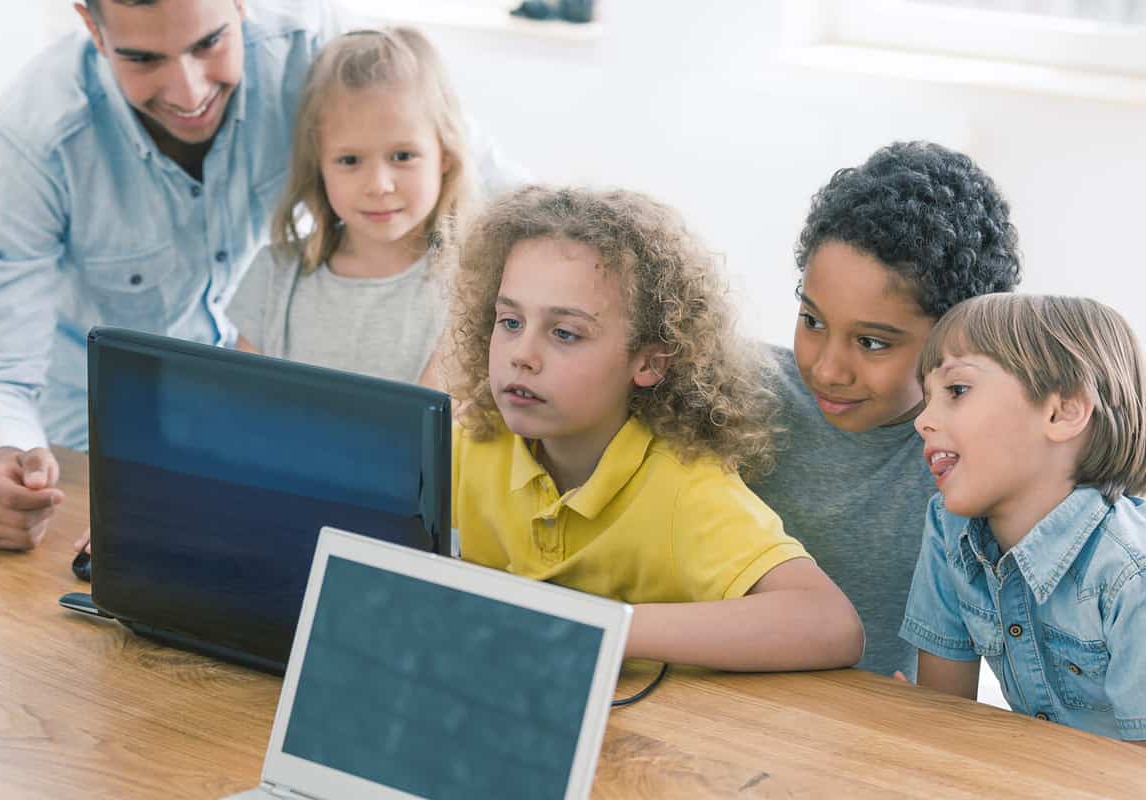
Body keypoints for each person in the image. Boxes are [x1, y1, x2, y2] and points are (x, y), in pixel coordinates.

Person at [0, 0, 520, 551]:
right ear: (93, 31)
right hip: (87, 442)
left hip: (236, 463)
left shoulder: (313, 46)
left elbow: (505, 201)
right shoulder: (28, 144)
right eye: (145, 59)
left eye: (209, 43)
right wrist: (4, 459)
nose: (189, 92)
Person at [447, 186, 864, 671]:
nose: (522, 354)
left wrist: (597, 626)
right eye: (510, 321)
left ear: (648, 361)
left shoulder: (682, 487)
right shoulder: (472, 444)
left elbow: (829, 623)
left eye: (565, 333)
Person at [748, 141, 1022, 678]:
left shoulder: (973, 465)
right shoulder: (734, 398)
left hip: (864, 735)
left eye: (872, 343)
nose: (828, 369)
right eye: (812, 320)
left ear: (958, 342)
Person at [902, 294, 1146, 744]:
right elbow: (942, 716)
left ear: (1064, 410)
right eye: (926, 397)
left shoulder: (1131, 574)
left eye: (956, 390)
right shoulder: (948, 528)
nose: (923, 420)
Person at [228, 28, 474, 387]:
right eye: (349, 160)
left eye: (402, 156)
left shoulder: (468, 287)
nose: (378, 184)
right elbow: (237, 405)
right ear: (319, 165)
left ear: (446, 156)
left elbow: (431, 433)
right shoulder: (273, 276)